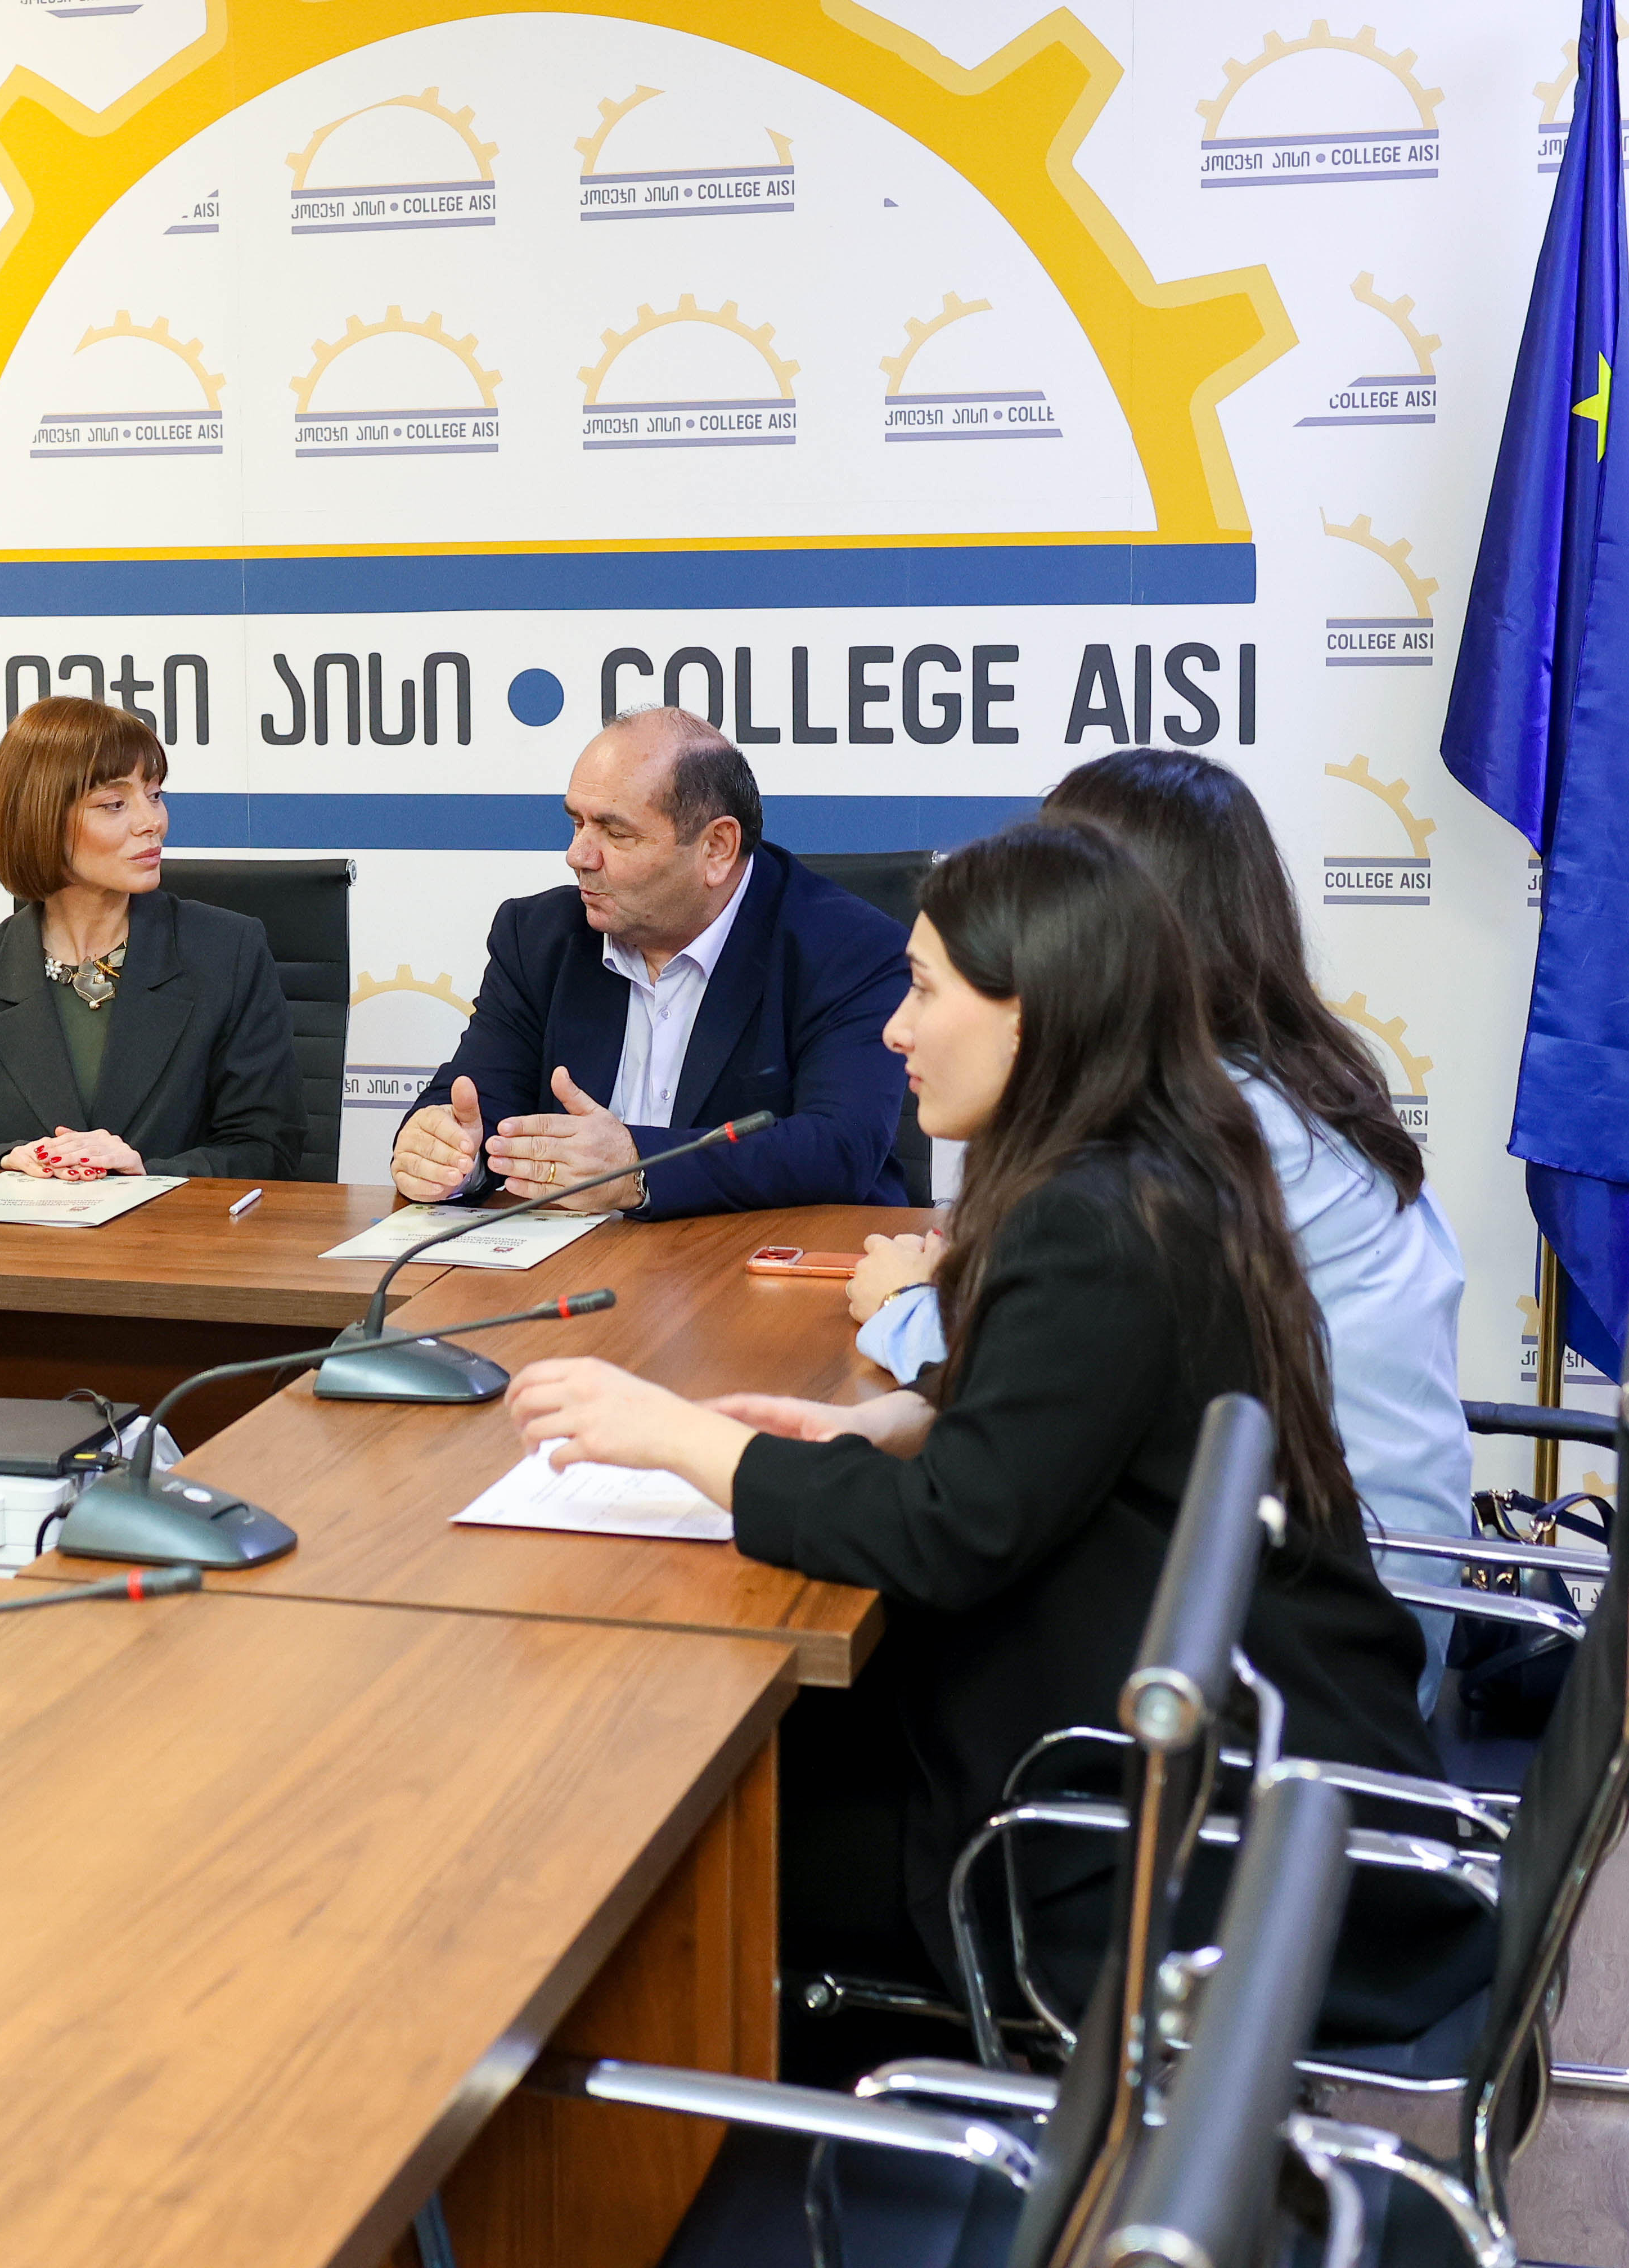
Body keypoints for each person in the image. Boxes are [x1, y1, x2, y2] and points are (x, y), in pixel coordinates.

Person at [502, 822, 1485, 2052]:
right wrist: (900, 1415)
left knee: (649, 1834)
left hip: (1140, 1843)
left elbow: (949, 1535)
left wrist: (678, 1438)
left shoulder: (1094, 1215)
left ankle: (755, 2144)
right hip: (1228, 1763)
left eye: (923, 991)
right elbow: (1086, 1423)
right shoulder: (1161, 1164)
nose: (893, 1031)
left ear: (1035, 1016)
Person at [845, 749, 1471, 1670]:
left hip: (1296, 1642)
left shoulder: (1208, 1132)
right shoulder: (1280, 1079)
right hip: (1333, 1583)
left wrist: (907, 1307)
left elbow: (1026, 1382)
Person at [393, 706, 906, 1217]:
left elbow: (839, 1146)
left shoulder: (847, 948)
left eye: (616, 833)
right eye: (577, 823)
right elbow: (476, 1100)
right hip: (584, 1257)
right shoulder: (538, 938)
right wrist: (447, 1153)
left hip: (769, 1253)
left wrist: (637, 1169)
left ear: (717, 848)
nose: (578, 855)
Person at [0, 692, 303, 1181]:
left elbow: (270, 1152)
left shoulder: (227, 952)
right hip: (22, 1232)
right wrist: (8, 1161)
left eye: (154, 795)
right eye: (114, 804)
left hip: (174, 1229)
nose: (152, 822)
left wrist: (145, 1172)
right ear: (40, 819)